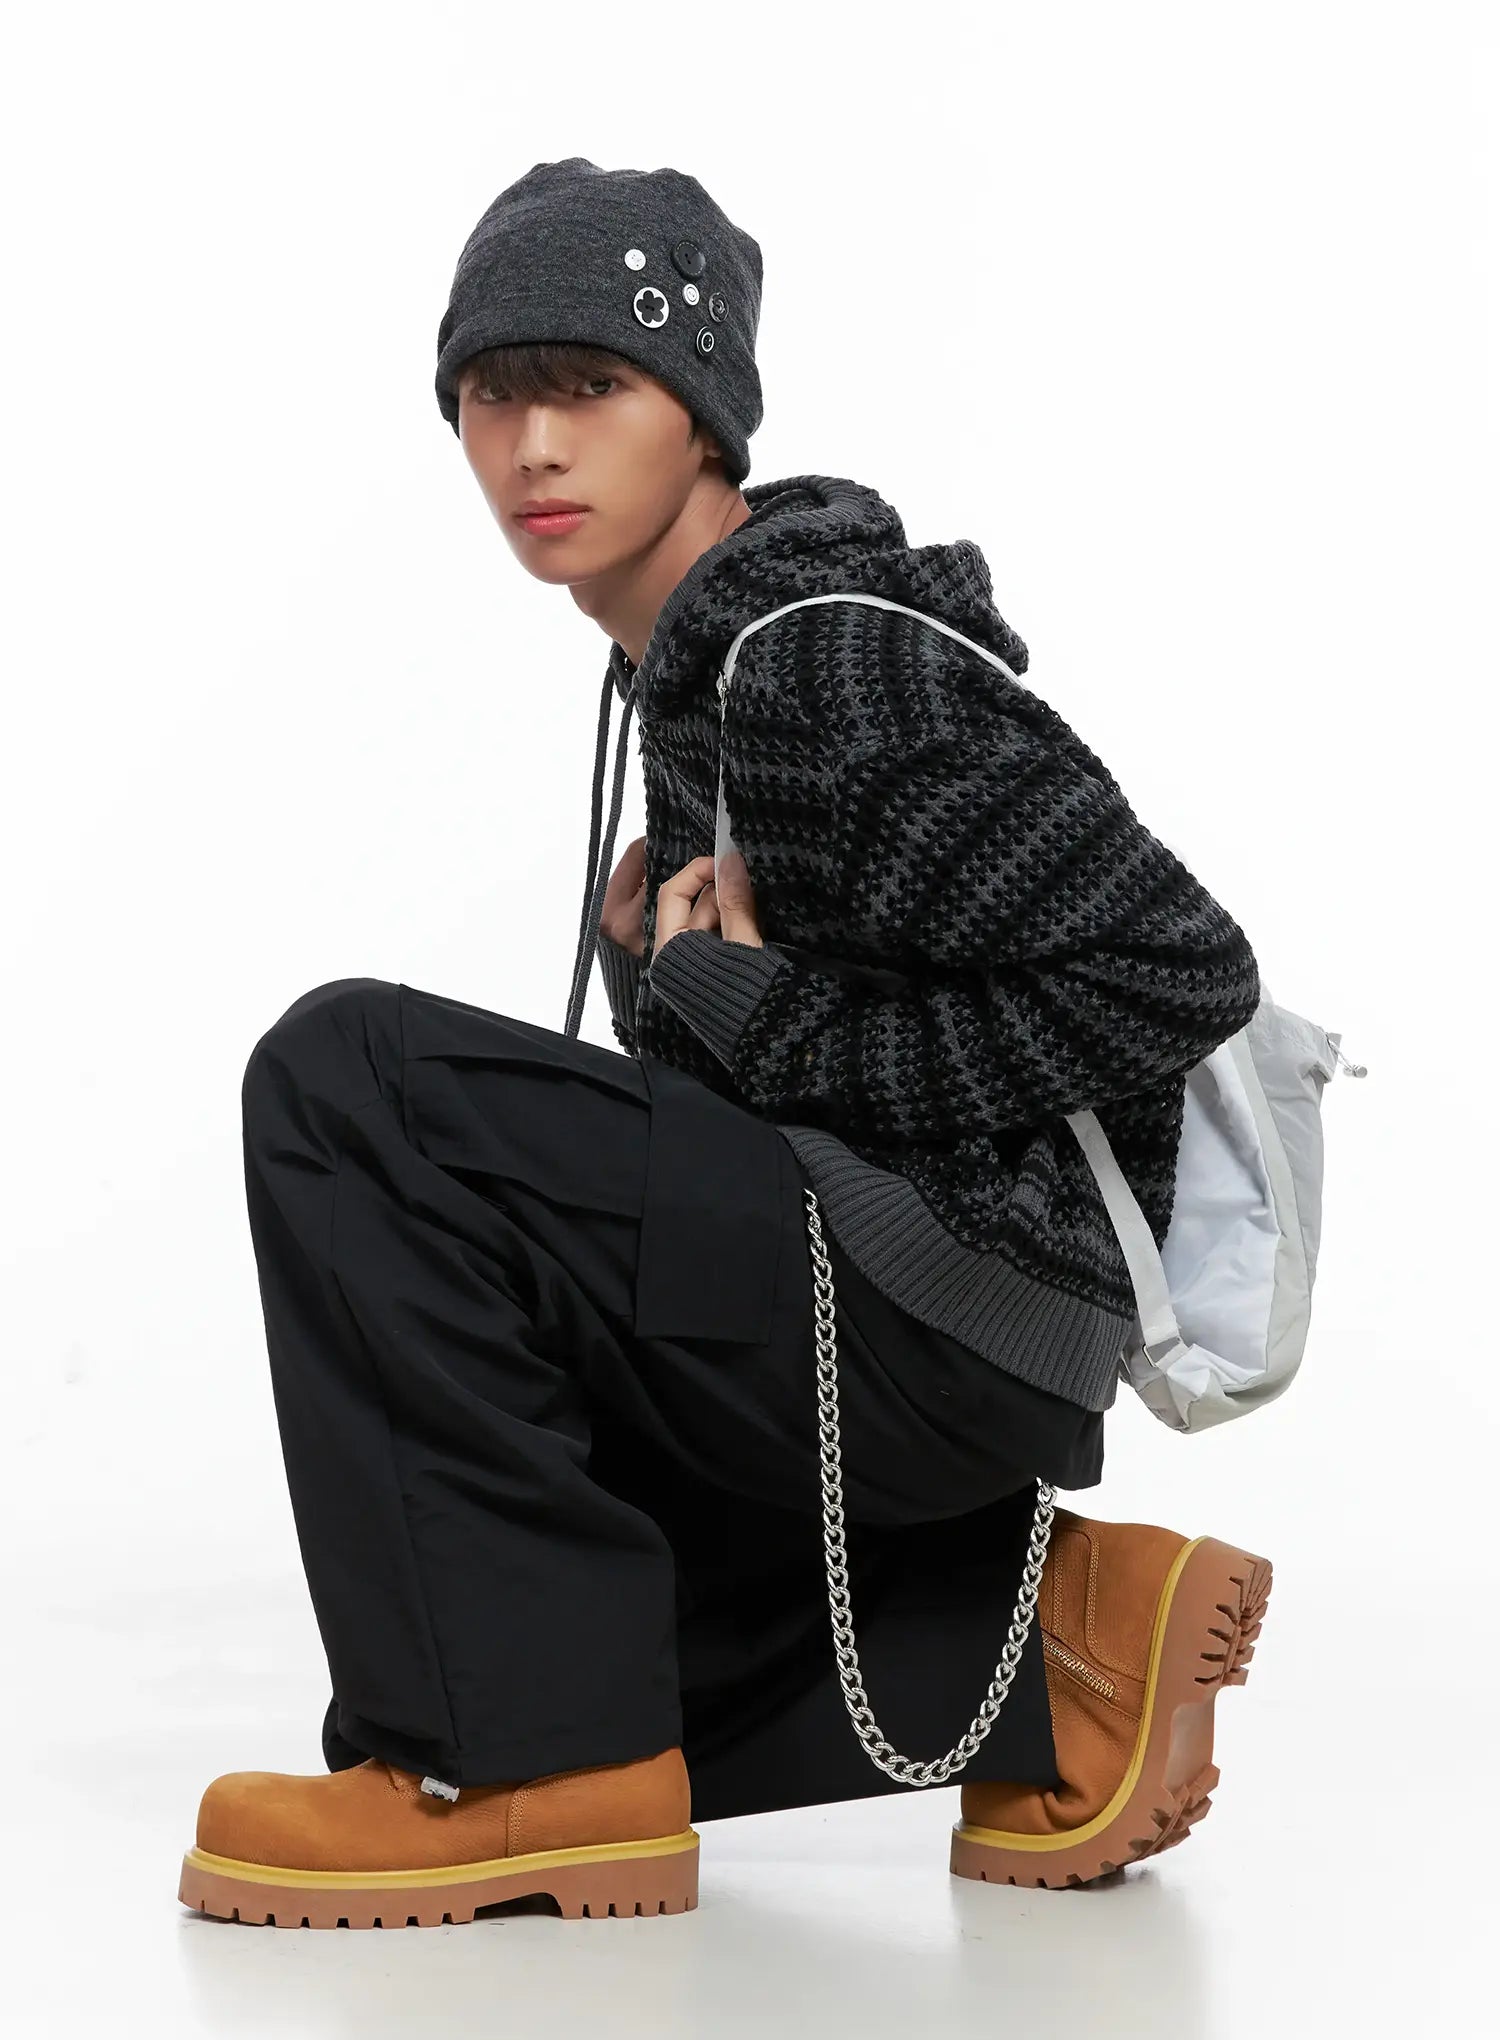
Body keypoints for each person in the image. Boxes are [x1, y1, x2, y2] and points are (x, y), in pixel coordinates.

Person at [177, 158, 1273, 1931]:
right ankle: (1053, 1649)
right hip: (900, 1325)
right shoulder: (693, 683)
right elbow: (783, 1106)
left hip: (957, 1314)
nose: (534, 444)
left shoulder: (828, 666)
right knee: (530, 1601)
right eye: (491, 394)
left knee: (348, 1081)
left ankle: (529, 1775)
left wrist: (770, 1018)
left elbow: (1174, 969)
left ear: (701, 415)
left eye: (590, 385)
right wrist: (669, 997)